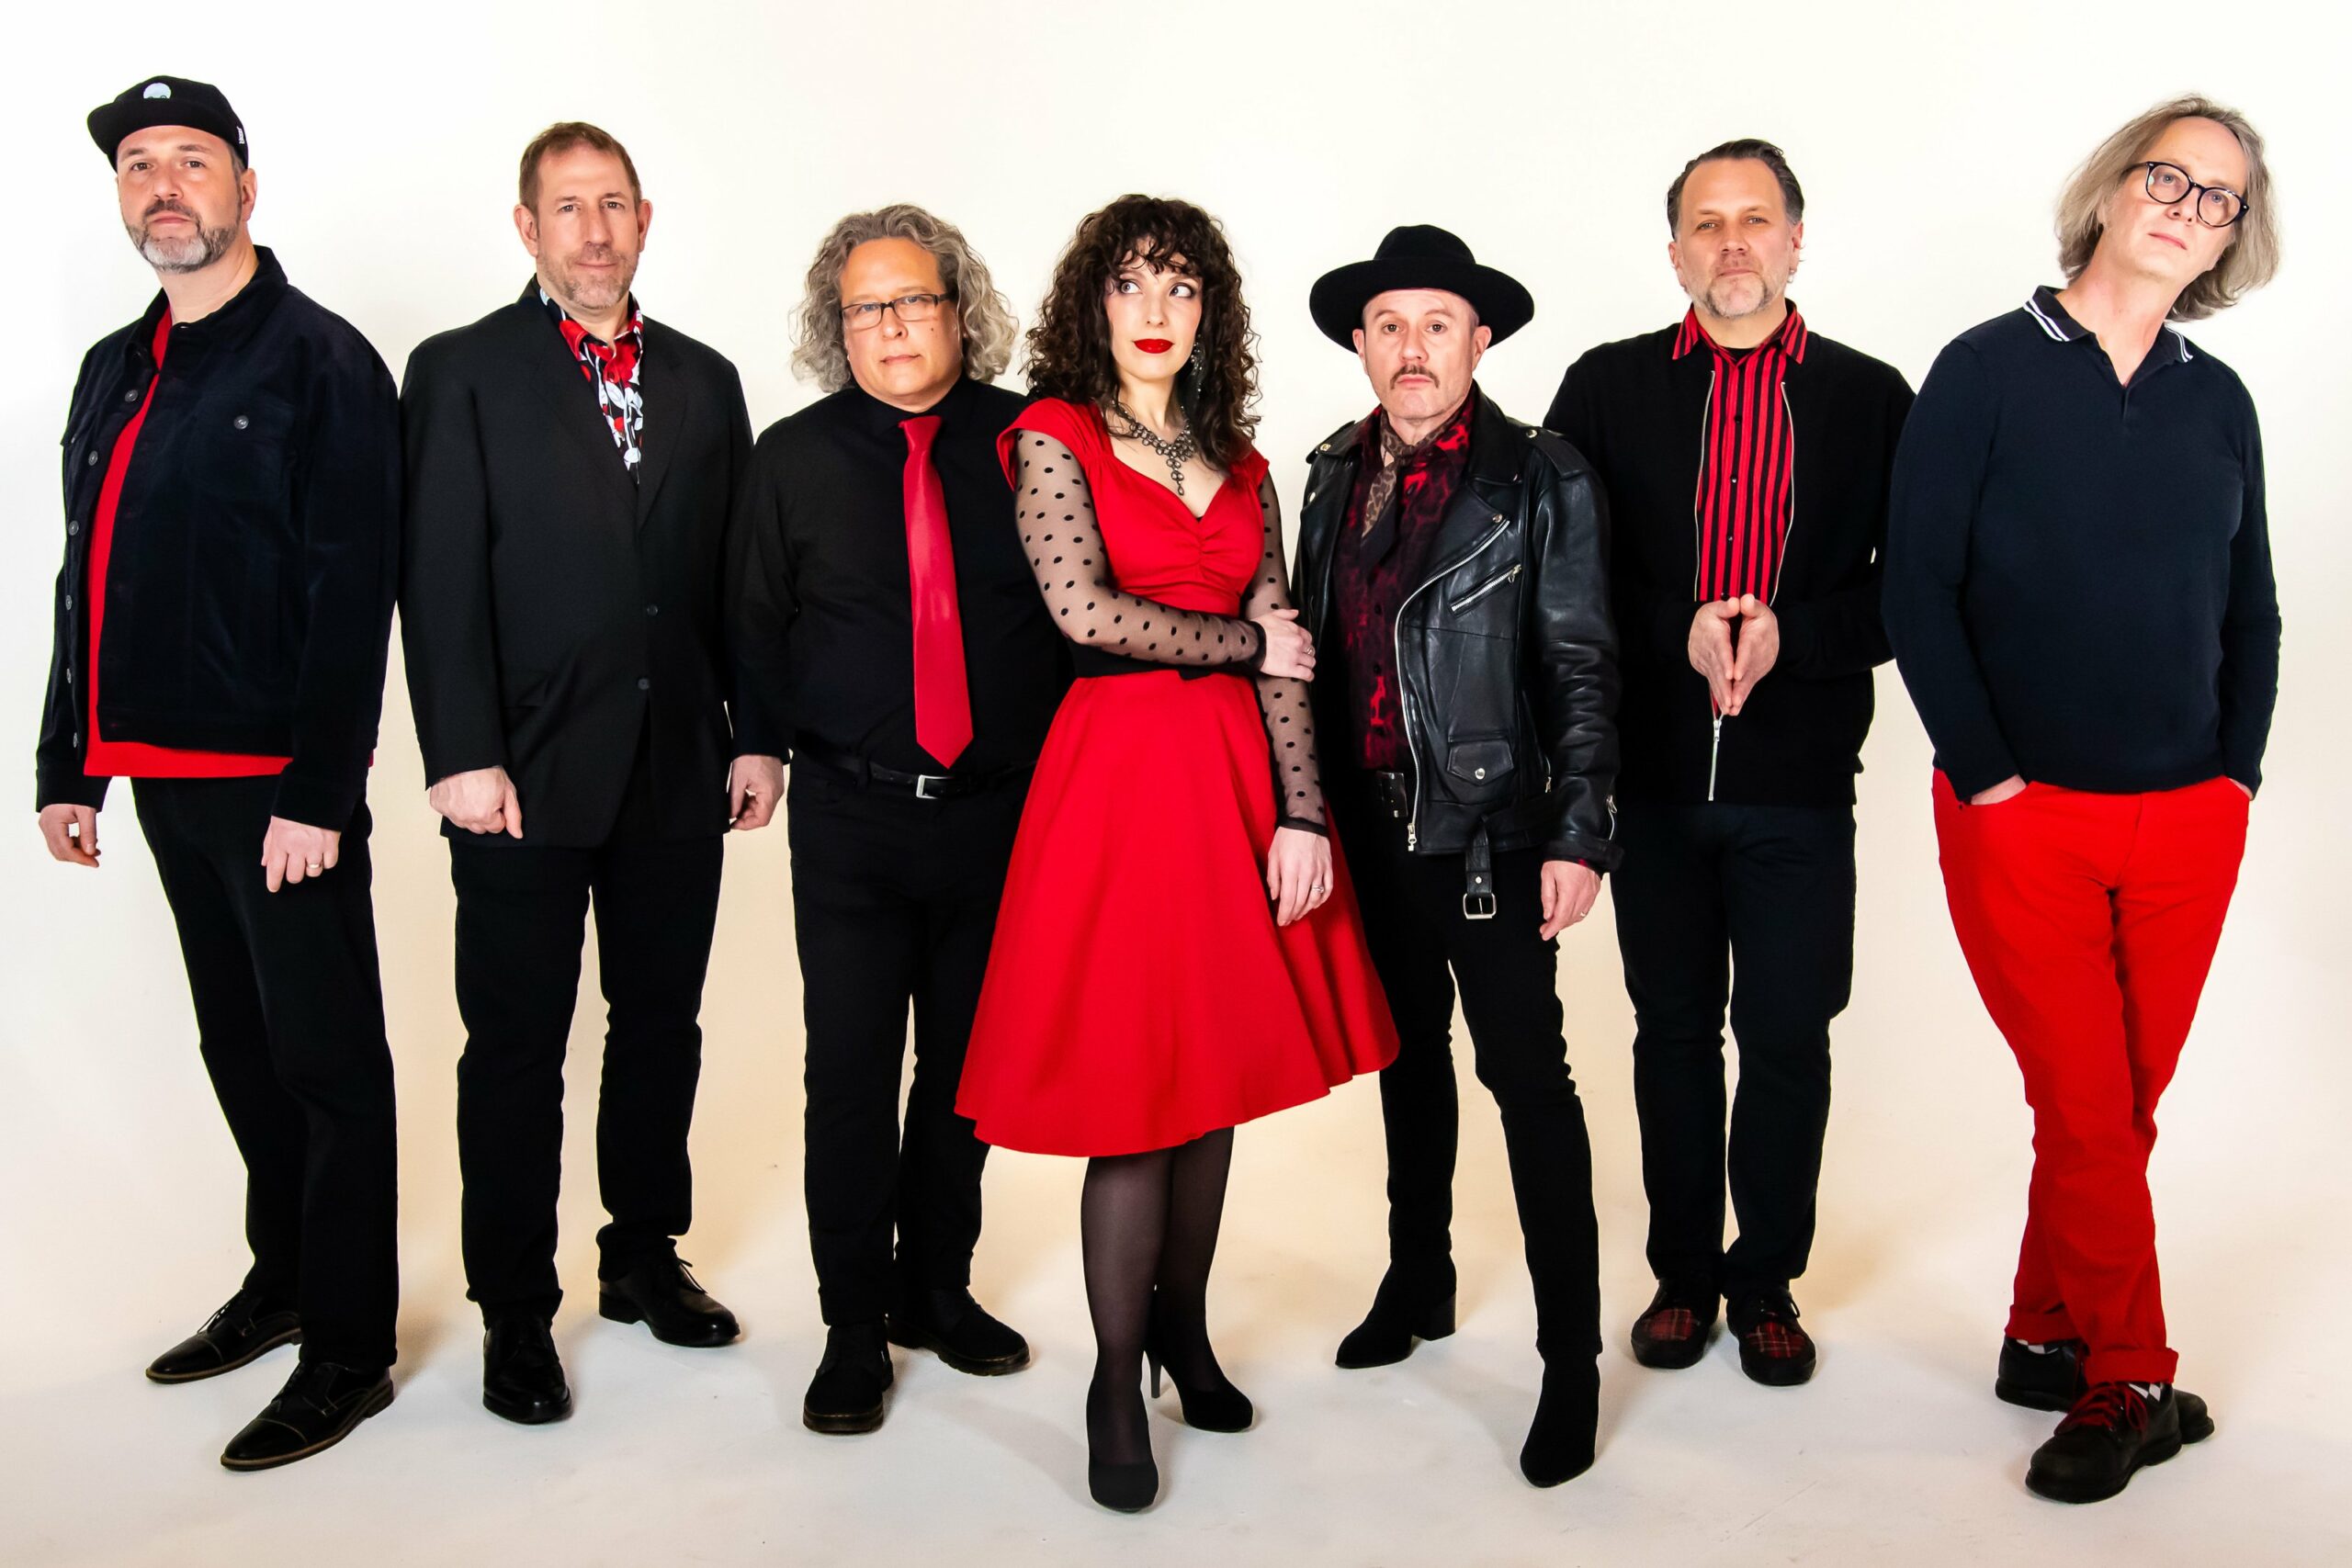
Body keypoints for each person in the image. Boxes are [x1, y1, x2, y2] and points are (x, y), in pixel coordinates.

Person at [955, 196, 1397, 1512]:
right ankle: (1109, 1373)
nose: (1157, 311)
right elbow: (1082, 608)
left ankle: (1181, 1332)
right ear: (1094, 305)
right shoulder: (1053, 436)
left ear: (1211, 315)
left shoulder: (1244, 463)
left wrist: (1304, 814)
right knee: (1138, 1095)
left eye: (1184, 289)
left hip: (1236, 785)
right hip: (1120, 784)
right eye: (1133, 286)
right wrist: (1249, 644)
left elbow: (1286, 646)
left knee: (1210, 1087)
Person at [1884, 96, 2280, 1505]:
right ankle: (2131, 1377)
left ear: (2235, 235)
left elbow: (2255, 611)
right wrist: (1987, 773)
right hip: (2022, 812)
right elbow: (1913, 587)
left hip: (2188, 821)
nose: (2186, 206)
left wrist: (2235, 776)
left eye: (2219, 197)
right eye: (2166, 177)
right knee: (2094, 1107)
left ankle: (2043, 1336)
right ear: (2113, 191)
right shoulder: (1987, 369)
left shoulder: (2215, 397)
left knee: (2117, 1108)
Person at [35, 75, 401, 1470]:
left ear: (247, 186)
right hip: (152, 775)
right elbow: (90, 572)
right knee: (237, 1049)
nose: (165, 186)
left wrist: (318, 789)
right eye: (140, 165)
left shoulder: (322, 362)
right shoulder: (111, 368)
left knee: (325, 1063)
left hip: (277, 793)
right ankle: (286, 1279)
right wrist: (67, 761)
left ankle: (351, 1350)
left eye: (192, 160)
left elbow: (349, 582)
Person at [400, 121, 756, 1426]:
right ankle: (513, 1313)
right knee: (516, 1050)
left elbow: (738, 582)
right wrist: (460, 756)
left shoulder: (710, 383)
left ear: (645, 220)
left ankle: (642, 1255)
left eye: (614, 206)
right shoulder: (461, 374)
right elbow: (434, 578)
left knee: (661, 1026)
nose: (594, 232)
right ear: (527, 229)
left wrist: (754, 731)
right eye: (568, 209)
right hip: (521, 778)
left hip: (678, 772)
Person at [1545, 141, 1914, 1387]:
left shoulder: (1872, 400)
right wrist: (1678, 627)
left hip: (1801, 789)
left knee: (1790, 1035)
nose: (1734, 242)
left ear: (1797, 241)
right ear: (1676, 254)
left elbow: (1908, 598)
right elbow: (1561, 576)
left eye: (1757, 219)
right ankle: (1682, 1277)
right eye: (1709, 223)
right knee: (1671, 1033)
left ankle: (1766, 1281)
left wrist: (1789, 636)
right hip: (1650, 783)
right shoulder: (1604, 389)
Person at [730, 206, 1065, 1435]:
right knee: (853, 1079)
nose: (892, 326)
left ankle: (939, 1289)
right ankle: (853, 1328)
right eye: (866, 307)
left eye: (914, 300)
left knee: (969, 1079)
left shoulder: (1033, 439)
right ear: (840, 327)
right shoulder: (794, 458)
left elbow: (1079, 618)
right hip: (854, 824)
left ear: (958, 309)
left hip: (998, 823)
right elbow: (755, 625)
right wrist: (755, 747)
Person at [1294, 225, 1618, 1487]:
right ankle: (1417, 1281)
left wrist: (1579, 832)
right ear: (1363, 346)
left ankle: (1572, 1364)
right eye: (1388, 325)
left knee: (1530, 1087)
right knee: (1405, 1064)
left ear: (1479, 343)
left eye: (1437, 324)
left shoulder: (1541, 478)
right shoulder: (1330, 473)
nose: (1411, 347)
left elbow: (1584, 667)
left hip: (1490, 833)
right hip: (1368, 829)